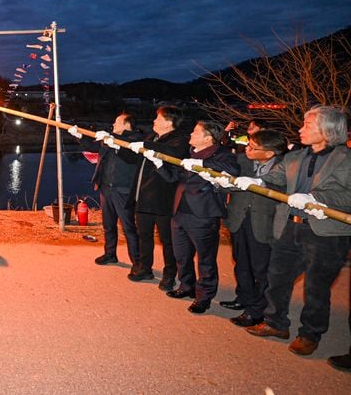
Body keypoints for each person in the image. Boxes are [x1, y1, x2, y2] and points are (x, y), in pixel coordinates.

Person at [235, 106, 351, 356]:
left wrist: (316, 197)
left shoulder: (347, 159)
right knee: (277, 277)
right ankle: (276, 323)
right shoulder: (295, 156)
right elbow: (276, 177)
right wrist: (258, 181)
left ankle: (310, 334)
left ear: (328, 130)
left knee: (316, 287)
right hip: (291, 225)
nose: (300, 129)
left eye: (307, 125)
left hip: (327, 234)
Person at [150, 121, 239, 313]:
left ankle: (204, 296)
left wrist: (203, 165)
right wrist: (159, 164)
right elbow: (175, 178)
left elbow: (233, 170)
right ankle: (186, 286)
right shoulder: (189, 152)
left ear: (208, 138)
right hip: (180, 211)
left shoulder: (221, 154)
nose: (191, 134)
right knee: (181, 255)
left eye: (196, 131)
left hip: (203, 214)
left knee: (206, 259)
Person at [216, 130, 288, 326]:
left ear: (269, 153)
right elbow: (229, 183)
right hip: (239, 218)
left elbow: (283, 189)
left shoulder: (285, 167)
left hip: (264, 222)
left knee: (261, 267)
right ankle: (244, 298)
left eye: (253, 147)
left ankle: (257, 310)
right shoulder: (242, 160)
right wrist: (222, 182)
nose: (247, 149)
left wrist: (258, 183)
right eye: (248, 144)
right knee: (241, 262)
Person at [126, 106, 190, 290]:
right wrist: (115, 145)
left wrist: (147, 146)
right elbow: (134, 159)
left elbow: (174, 153)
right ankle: (145, 268)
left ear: (169, 122)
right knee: (144, 236)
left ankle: (170, 274)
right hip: (143, 197)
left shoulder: (179, 140)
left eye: (158, 118)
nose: (154, 121)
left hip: (163, 200)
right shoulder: (151, 138)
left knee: (167, 240)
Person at [67, 113, 141, 270]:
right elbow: (93, 146)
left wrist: (113, 142)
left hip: (123, 190)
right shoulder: (110, 138)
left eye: (117, 122)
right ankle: (110, 254)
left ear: (127, 125)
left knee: (128, 227)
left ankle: (137, 262)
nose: (113, 125)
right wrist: (80, 135)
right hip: (106, 187)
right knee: (108, 225)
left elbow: (130, 156)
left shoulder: (136, 141)